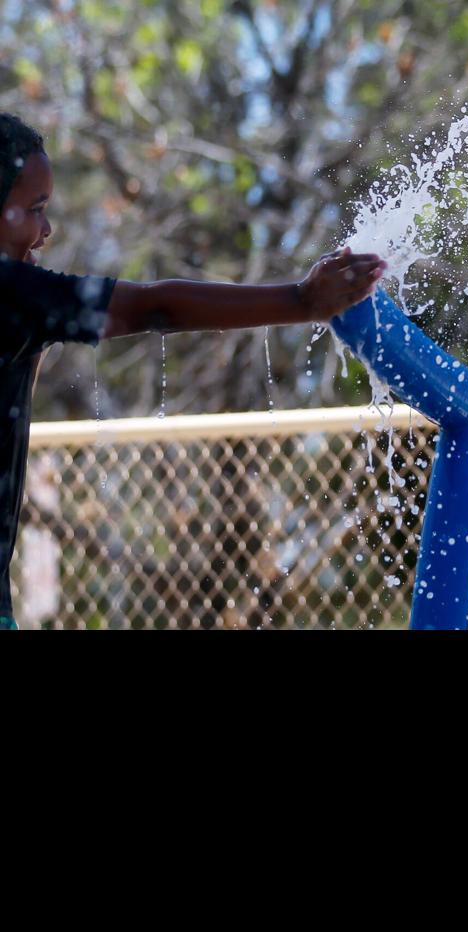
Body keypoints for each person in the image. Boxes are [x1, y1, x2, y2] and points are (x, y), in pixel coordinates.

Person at [1, 111, 386, 628]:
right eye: (35, 209)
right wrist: (302, 300)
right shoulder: (12, 293)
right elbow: (154, 306)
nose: (46, 230)